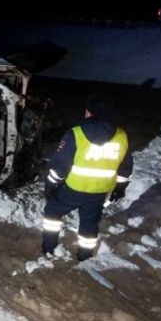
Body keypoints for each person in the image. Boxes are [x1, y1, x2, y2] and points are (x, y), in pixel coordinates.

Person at [42, 93, 133, 261]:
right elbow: (125, 166)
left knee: (53, 211)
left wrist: (51, 184)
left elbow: (61, 164)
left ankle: (49, 248)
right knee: (89, 223)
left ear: (89, 113)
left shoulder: (76, 134)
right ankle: (84, 256)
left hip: (74, 188)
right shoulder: (121, 136)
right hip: (100, 190)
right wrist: (121, 187)